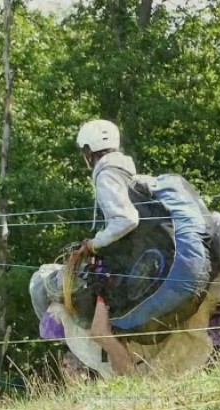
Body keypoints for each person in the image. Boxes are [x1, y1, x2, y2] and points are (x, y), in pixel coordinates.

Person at [73, 119, 144, 375]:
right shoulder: (125, 169)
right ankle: (126, 382)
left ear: (89, 150)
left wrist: (93, 243)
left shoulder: (106, 175)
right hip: (135, 259)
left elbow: (127, 219)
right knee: (112, 331)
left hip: (122, 265)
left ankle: (130, 383)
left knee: (100, 331)